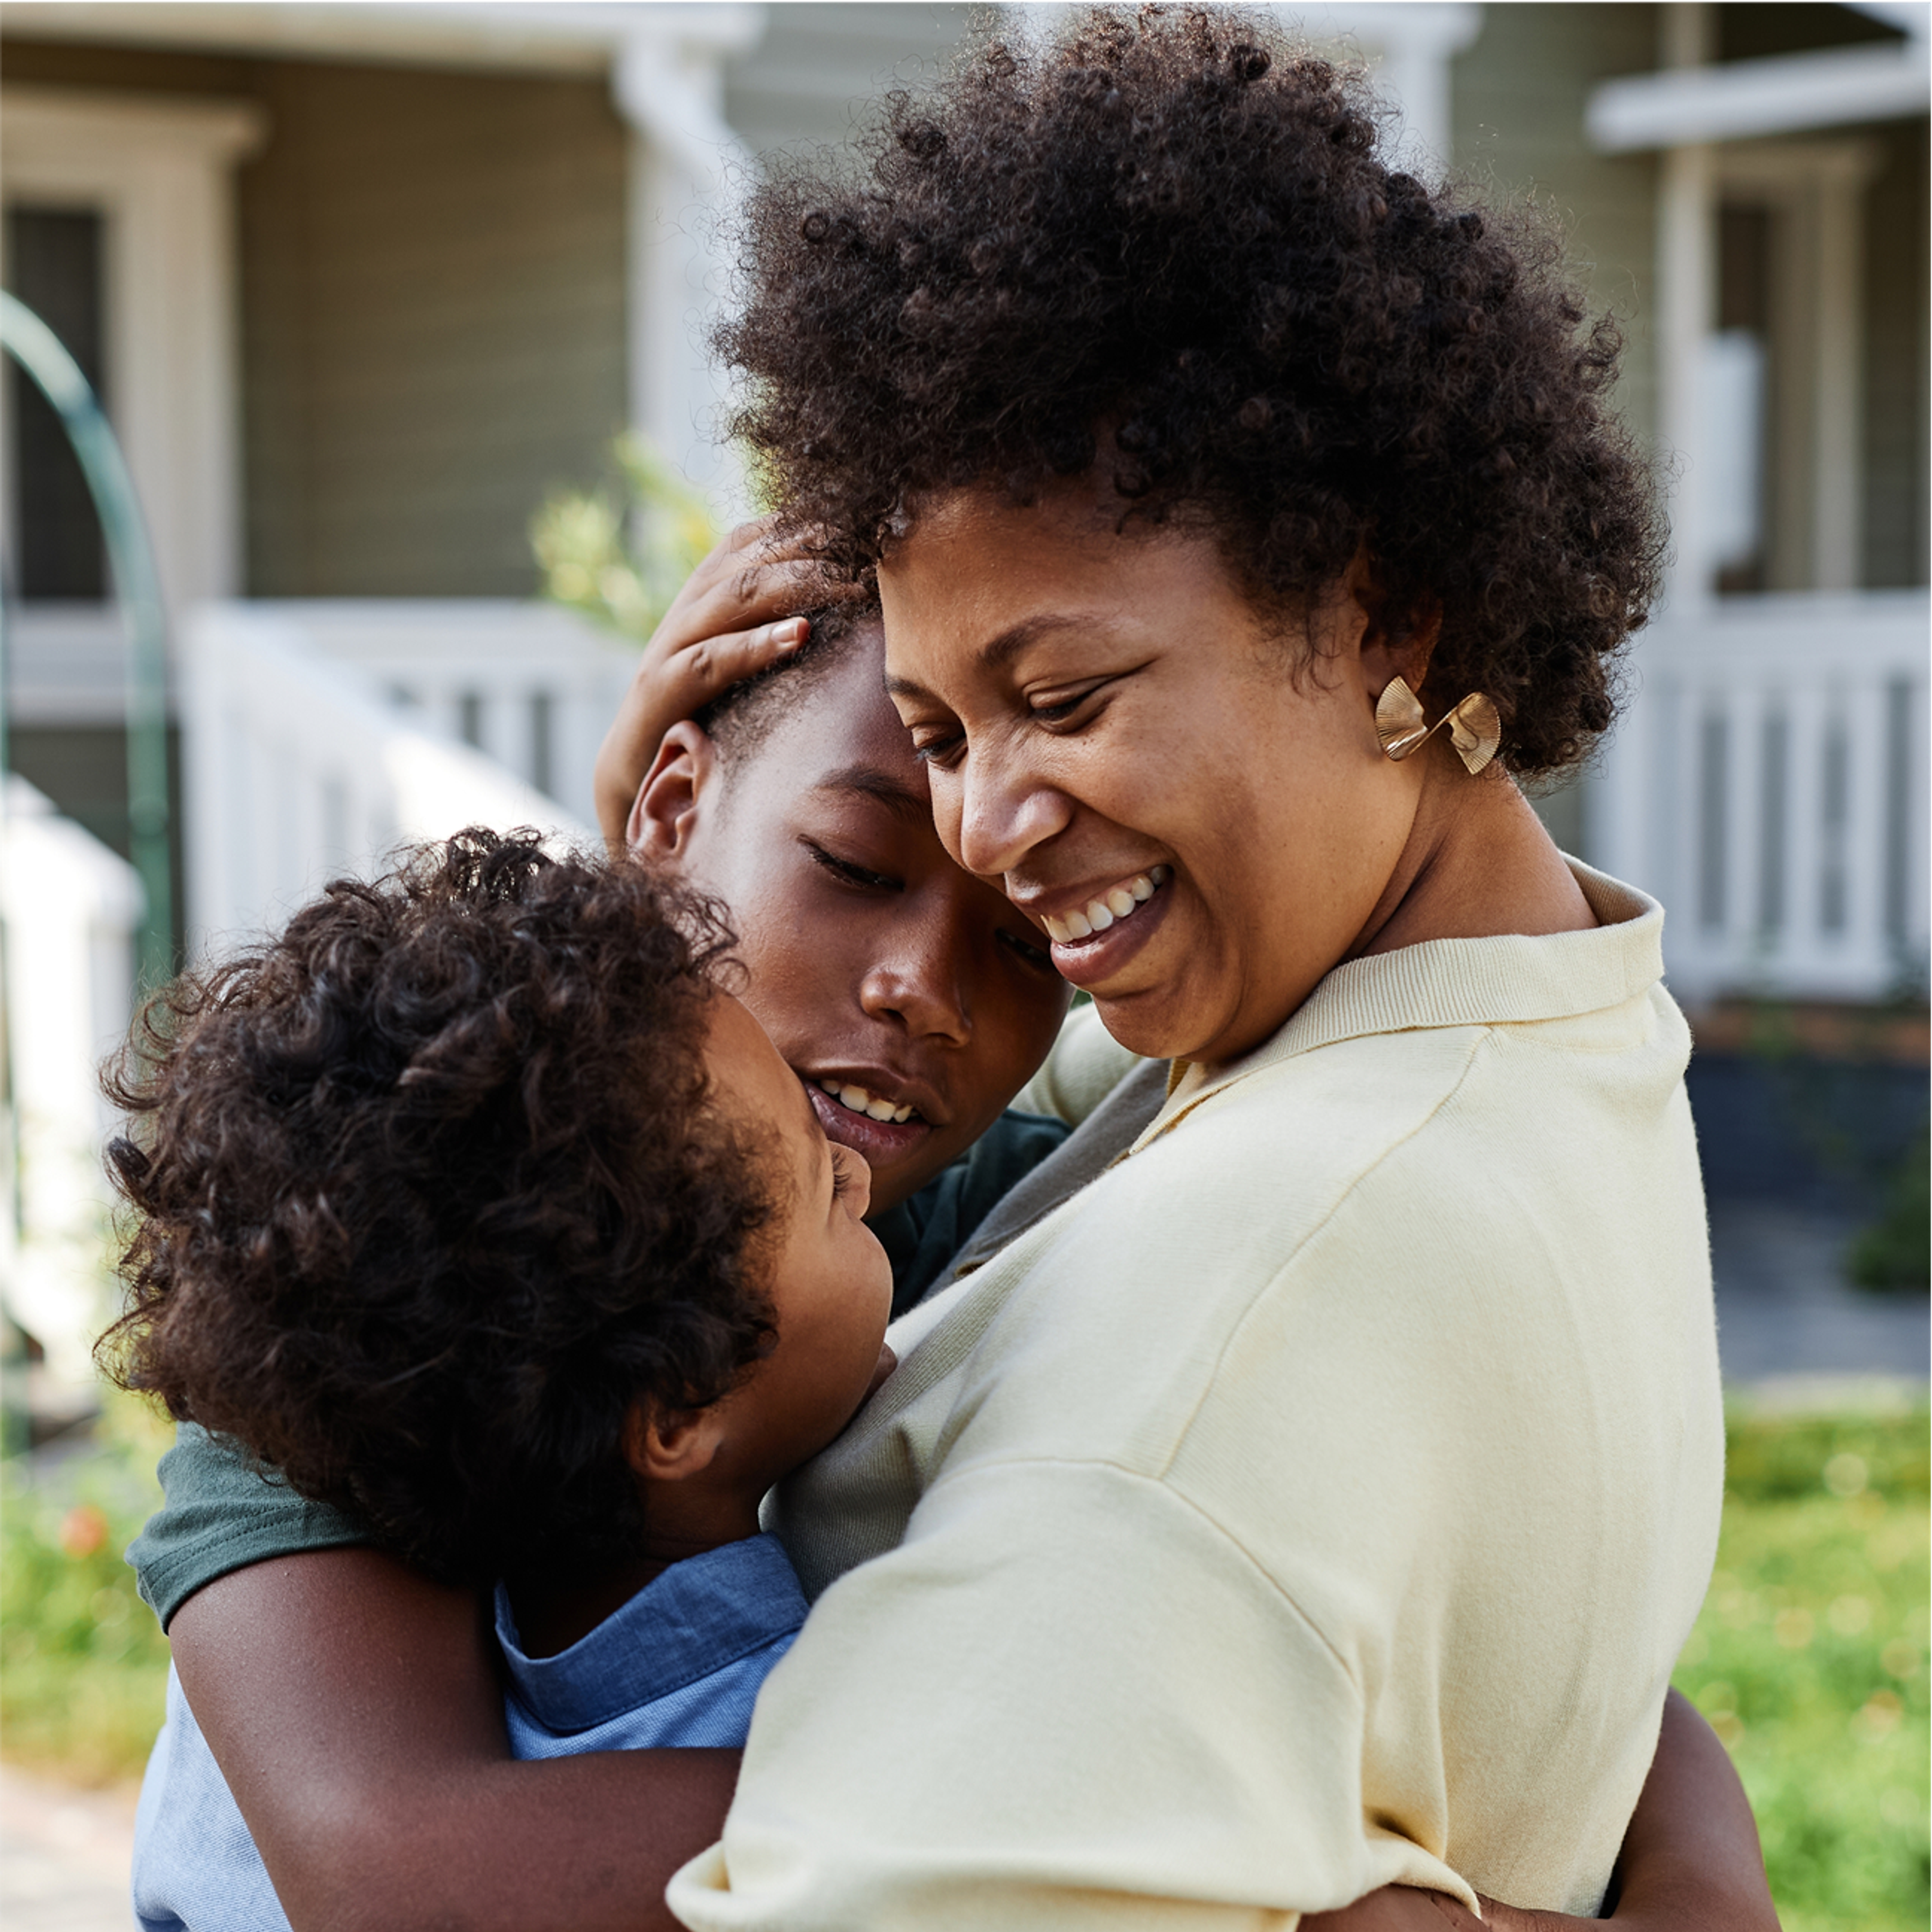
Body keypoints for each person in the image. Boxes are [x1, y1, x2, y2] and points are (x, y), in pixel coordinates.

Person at [124, 566, 1774, 1932]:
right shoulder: (348, 1293)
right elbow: (397, 1865)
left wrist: (1690, 1842)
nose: (923, 979)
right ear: (672, 815)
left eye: (1019, 927)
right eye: (847, 863)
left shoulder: (954, 1198)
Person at [642, 6, 1740, 1924]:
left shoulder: (1213, 1330)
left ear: (1386, 602)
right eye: (938, 732)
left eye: (1061, 693)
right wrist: (646, 923)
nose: (983, 833)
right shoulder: (1526, 1010)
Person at [109, 835, 897, 1929]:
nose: (861, 1173)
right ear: (679, 1408)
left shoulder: (246, 1729)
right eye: (823, 1186)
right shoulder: (816, 1743)